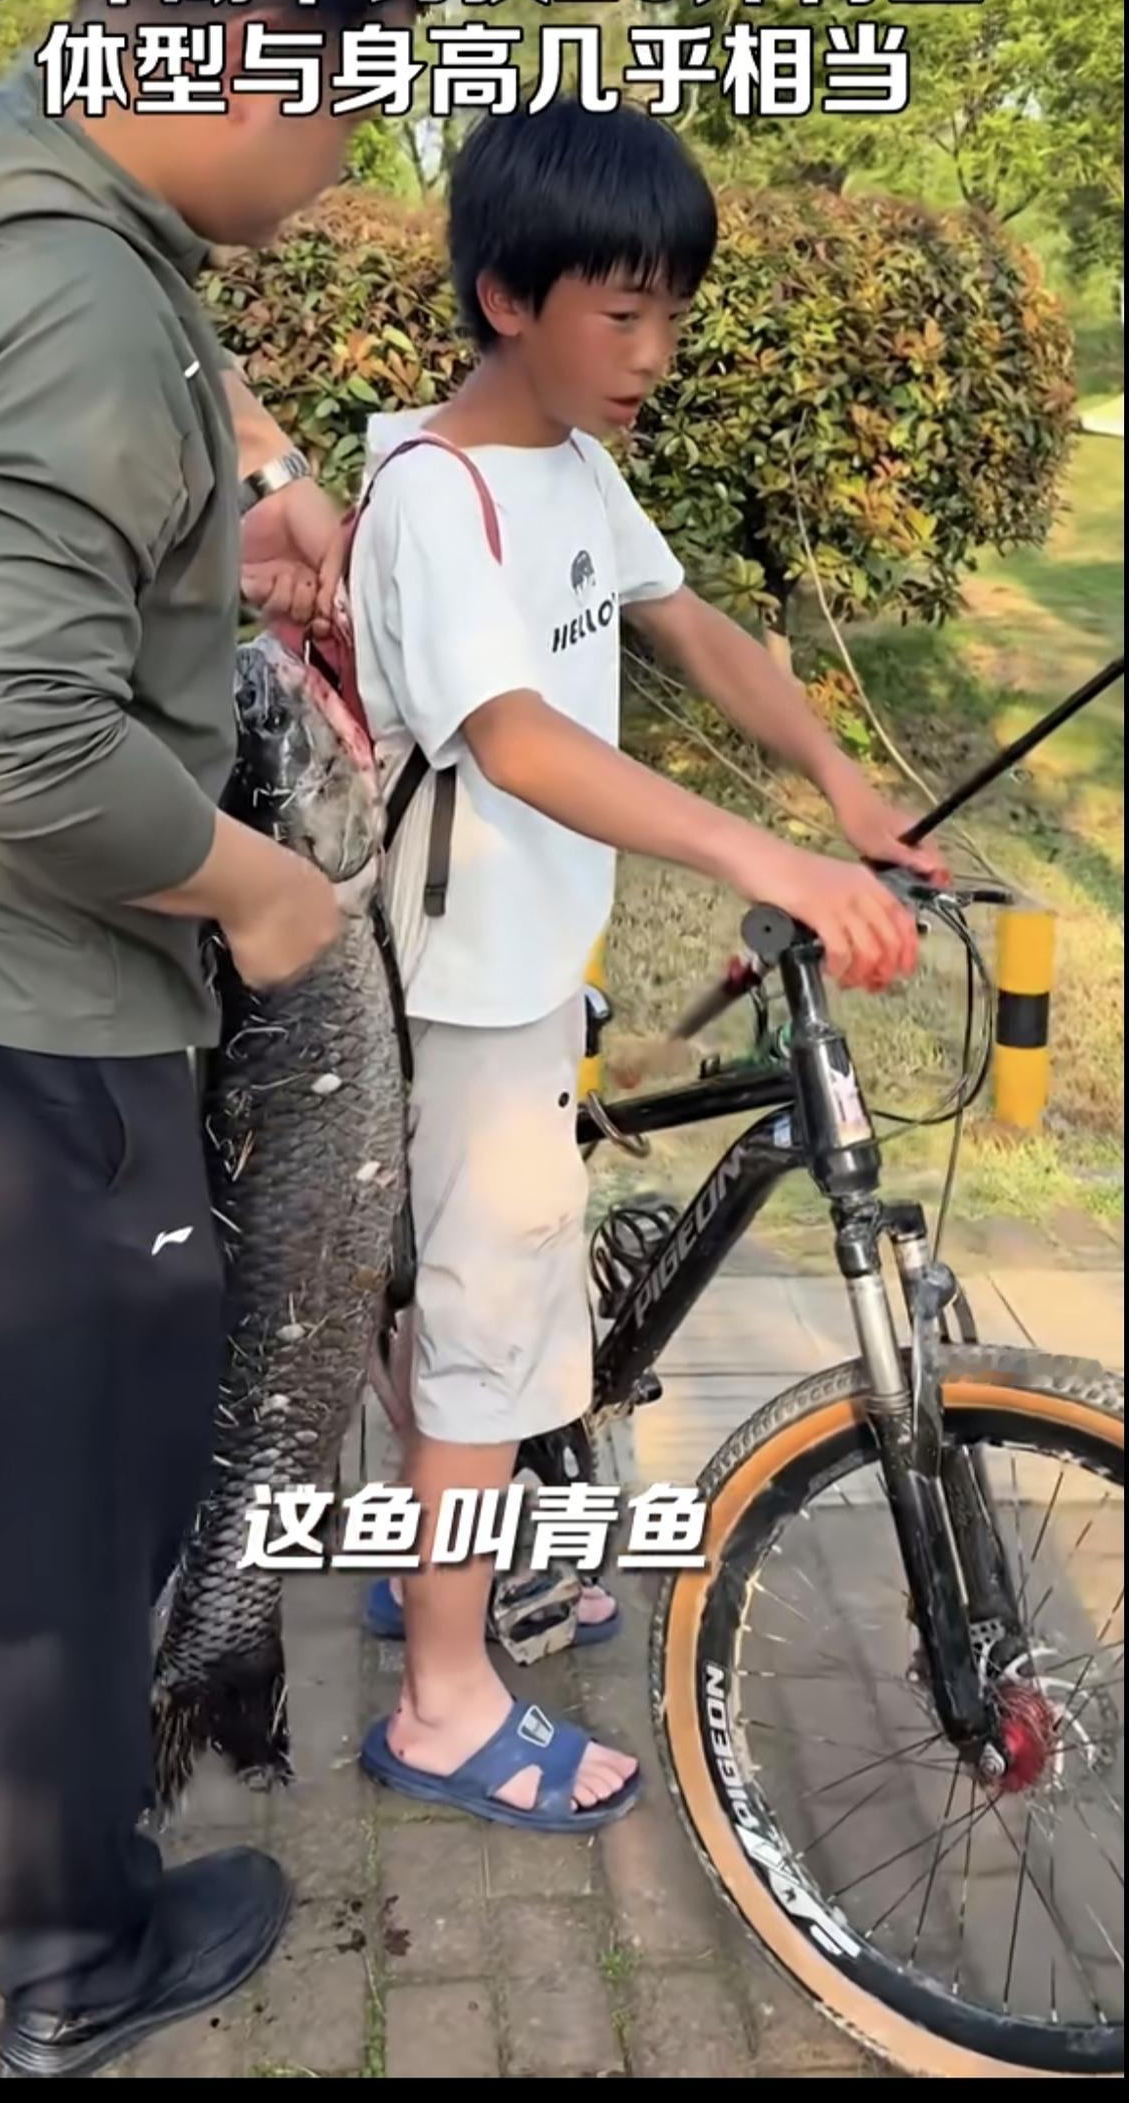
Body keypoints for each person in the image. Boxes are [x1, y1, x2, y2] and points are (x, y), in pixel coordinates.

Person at [0, 0, 418, 2076]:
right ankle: (78, 1962)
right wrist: (269, 889)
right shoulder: (80, 302)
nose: (349, 162)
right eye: (351, 102)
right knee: (70, 1524)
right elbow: (22, 746)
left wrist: (246, 480)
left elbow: (91, 388)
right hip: (24, 1029)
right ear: (252, 51)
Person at [347, 97, 945, 1833]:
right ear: (506, 297)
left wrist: (839, 782)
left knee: (478, 1312)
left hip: (539, 962)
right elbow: (517, 739)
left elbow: (697, 630)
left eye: (671, 313)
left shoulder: (572, 463)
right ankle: (444, 1702)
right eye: (623, 313)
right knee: (484, 1337)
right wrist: (766, 856)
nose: (655, 353)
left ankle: (436, 1566)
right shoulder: (435, 495)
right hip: (457, 988)